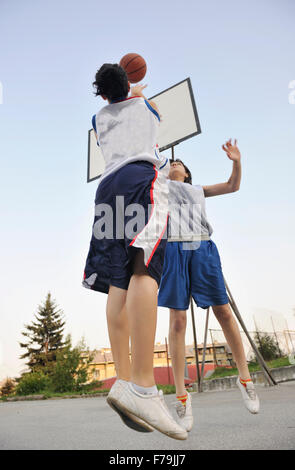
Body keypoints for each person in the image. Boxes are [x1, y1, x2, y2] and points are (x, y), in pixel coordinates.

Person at [82, 63, 187, 440]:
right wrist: (137, 87)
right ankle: (144, 386)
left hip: (107, 189)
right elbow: (146, 101)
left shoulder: (99, 118)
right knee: (145, 269)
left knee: (118, 280)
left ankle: (123, 379)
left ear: (104, 94)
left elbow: (120, 98)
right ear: (128, 84)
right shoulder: (145, 107)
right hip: (140, 179)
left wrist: (125, 85)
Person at [158, 140, 260, 431]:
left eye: (180, 164)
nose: (175, 165)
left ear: (188, 175)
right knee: (177, 321)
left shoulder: (197, 190)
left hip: (201, 247)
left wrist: (236, 161)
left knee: (223, 312)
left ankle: (245, 379)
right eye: (172, 164)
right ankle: (181, 397)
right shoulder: (160, 188)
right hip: (173, 250)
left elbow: (232, 185)